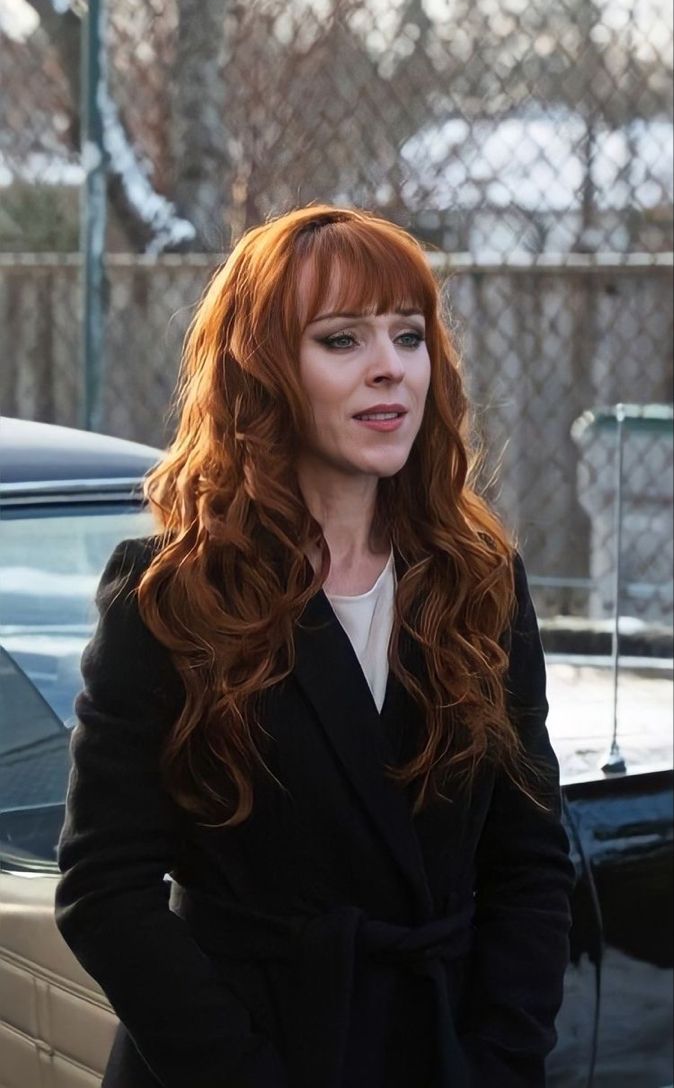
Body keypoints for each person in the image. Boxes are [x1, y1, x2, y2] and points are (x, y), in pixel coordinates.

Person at [55, 204, 575, 1088]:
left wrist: (498, 1059)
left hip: (440, 1057)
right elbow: (104, 889)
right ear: (263, 373)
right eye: (342, 340)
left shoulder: (478, 582)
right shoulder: (172, 594)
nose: (390, 370)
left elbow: (529, 860)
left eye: (408, 337)